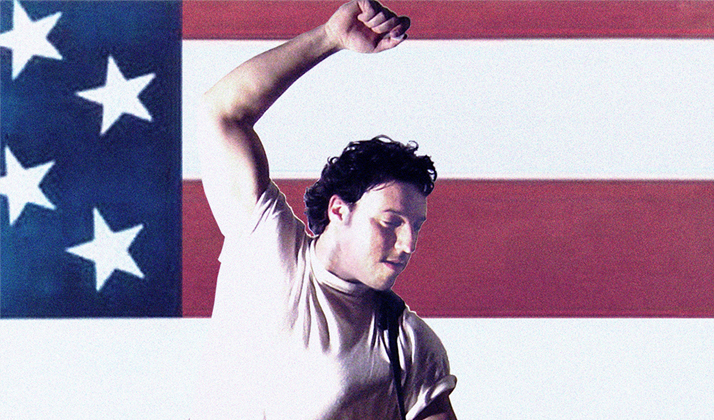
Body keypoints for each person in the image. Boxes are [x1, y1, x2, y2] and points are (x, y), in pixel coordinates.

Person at [197, 1, 457, 419]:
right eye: (390, 222)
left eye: (416, 226)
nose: (408, 244)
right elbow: (222, 112)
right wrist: (329, 38)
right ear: (339, 210)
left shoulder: (406, 343)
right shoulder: (268, 246)